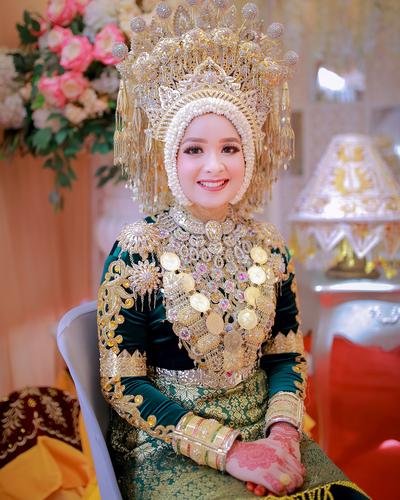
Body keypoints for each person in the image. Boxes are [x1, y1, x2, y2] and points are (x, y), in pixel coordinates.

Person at [97, 2, 369, 498]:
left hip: (268, 432)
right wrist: (232, 452)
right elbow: (123, 385)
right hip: (169, 449)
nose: (214, 166)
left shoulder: (269, 246)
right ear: (169, 157)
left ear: (249, 154)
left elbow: (287, 354)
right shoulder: (138, 251)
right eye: (193, 149)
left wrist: (281, 435)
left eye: (230, 147)